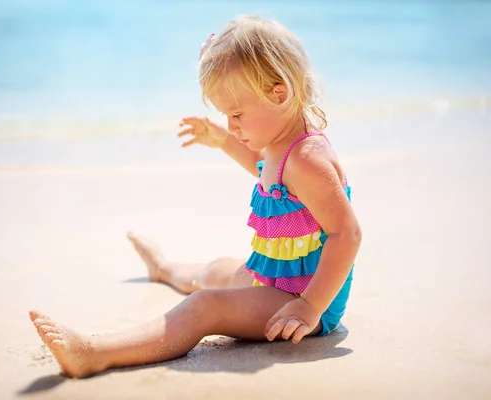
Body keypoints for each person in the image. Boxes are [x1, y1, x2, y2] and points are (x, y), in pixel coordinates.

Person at [29, 15, 362, 378]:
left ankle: (94, 352)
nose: (233, 126)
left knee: (206, 306)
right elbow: (264, 171)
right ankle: (163, 268)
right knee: (216, 270)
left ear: (278, 93)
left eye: (237, 114)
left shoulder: (308, 159)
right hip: (275, 281)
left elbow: (347, 233)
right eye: (226, 116)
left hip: (301, 302)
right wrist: (222, 141)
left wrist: (311, 307)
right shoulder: (281, 144)